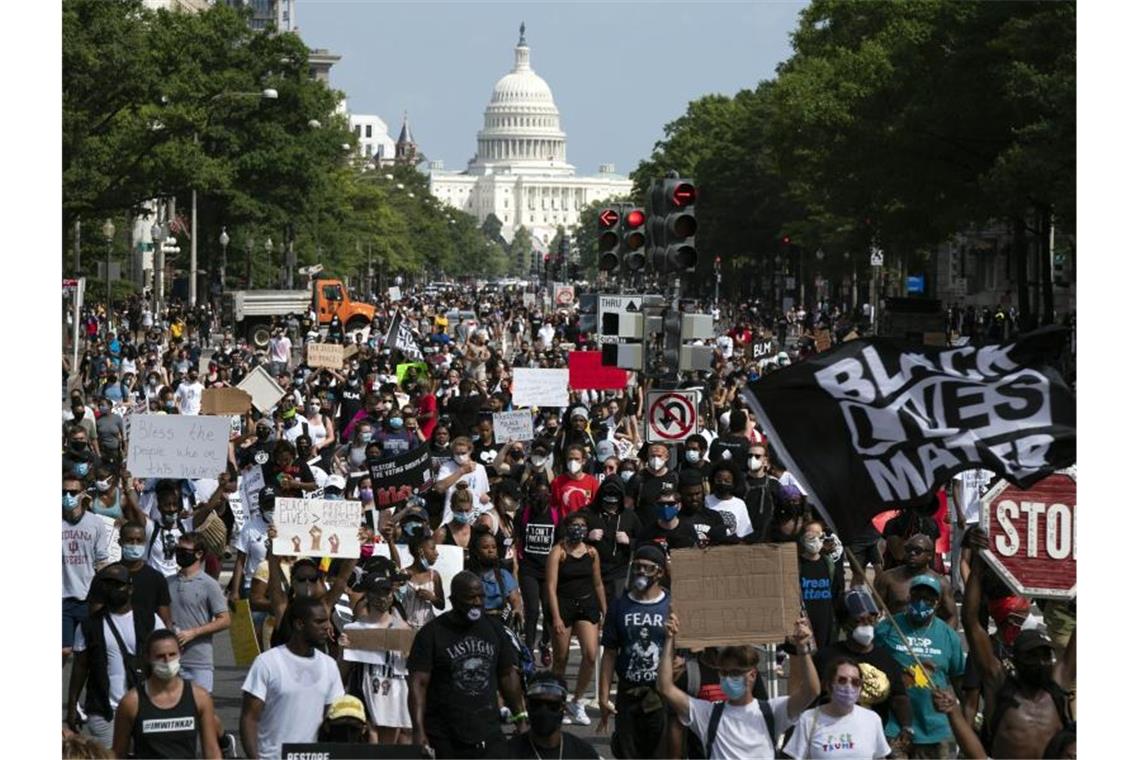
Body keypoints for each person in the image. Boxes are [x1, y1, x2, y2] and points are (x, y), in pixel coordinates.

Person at [962, 529, 1076, 758]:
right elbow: (971, 622)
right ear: (1016, 659)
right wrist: (977, 566)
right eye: (1032, 655)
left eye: (1045, 655)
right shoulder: (999, 684)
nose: (1041, 661)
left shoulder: (1058, 683)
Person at [655, 610, 821, 760]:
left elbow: (811, 691)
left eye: (734, 673)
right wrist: (670, 638)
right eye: (724, 673)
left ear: (752, 675)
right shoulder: (707, 714)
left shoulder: (772, 711)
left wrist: (802, 648)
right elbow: (665, 687)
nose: (728, 678)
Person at [407, 571, 528, 759]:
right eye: (471, 597)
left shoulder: (494, 629)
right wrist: (418, 730)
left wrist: (520, 718)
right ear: (454, 600)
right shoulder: (431, 634)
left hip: (488, 731)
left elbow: (507, 675)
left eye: (481, 596)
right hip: (445, 734)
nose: (478, 603)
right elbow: (418, 684)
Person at [67, 564, 167, 748]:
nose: (112, 589)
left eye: (118, 584)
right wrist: (72, 705)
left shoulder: (150, 620)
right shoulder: (89, 625)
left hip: (145, 707)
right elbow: (80, 666)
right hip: (103, 711)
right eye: (108, 584)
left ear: (130, 589)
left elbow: (165, 659)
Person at [240, 597, 345, 760]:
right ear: (299, 624)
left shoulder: (329, 665)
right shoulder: (267, 663)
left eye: (327, 621)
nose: (327, 627)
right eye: (319, 622)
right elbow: (249, 719)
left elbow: (332, 719)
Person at [875, 574, 967, 758]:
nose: (921, 602)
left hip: (935, 730)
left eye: (928, 598)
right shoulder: (887, 628)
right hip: (895, 727)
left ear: (937, 602)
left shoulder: (948, 635)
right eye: (917, 596)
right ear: (909, 597)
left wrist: (965, 721)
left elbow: (959, 681)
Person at [597, 544, 672, 758]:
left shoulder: (671, 605)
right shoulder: (619, 606)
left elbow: (682, 650)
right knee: (628, 752)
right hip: (628, 693)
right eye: (637, 567)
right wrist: (603, 697)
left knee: (660, 753)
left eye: (648, 568)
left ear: (660, 572)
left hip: (660, 694)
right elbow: (610, 653)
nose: (641, 572)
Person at [111, 629, 223, 759]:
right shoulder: (131, 702)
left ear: (180, 653)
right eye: (160, 656)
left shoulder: (200, 697)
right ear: (147, 657)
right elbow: (118, 753)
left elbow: (211, 750)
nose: (167, 661)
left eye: (172, 654)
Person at [814, 589, 912, 734]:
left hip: (872, 737)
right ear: (844, 623)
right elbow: (810, 696)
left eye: (871, 619)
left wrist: (906, 728)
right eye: (859, 620)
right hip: (831, 734)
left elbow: (899, 698)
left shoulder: (886, 659)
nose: (866, 625)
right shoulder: (825, 658)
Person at [546, 510, 607, 725]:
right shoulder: (558, 551)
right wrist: (556, 617)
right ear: (567, 527)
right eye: (574, 525)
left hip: (587, 603)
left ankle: (578, 699)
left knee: (590, 654)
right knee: (560, 658)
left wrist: (604, 610)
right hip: (563, 604)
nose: (578, 529)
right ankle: (558, 700)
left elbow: (598, 583)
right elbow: (551, 587)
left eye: (582, 525)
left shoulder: (591, 552)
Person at [341, 572, 412, 743]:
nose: (383, 597)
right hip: (364, 693)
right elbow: (342, 671)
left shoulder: (403, 629)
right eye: (377, 592)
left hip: (393, 695)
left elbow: (411, 668)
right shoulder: (355, 629)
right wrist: (342, 650)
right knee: (369, 741)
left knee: (387, 749)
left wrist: (409, 651)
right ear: (368, 595)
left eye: (386, 592)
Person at [783, 656, 891, 759]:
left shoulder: (872, 719)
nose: (849, 686)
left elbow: (880, 757)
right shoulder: (808, 719)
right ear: (829, 686)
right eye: (842, 680)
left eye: (855, 682)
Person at [166, 532, 231, 693]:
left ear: (199, 554)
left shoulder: (209, 584)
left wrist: (193, 633)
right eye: (178, 549)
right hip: (169, 661)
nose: (179, 554)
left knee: (200, 710)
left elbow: (224, 619)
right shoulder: (167, 582)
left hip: (199, 662)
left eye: (184, 550)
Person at [62, 471, 111, 660]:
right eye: (64, 491)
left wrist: (105, 595)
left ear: (83, 494)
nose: (68, 496)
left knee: (88, 654)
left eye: (73, 492)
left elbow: (101, 561)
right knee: (63, 651)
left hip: (88, 599)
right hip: (63, 599)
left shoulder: (95, 523)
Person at [504, 671, 601, 759]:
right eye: (536, 704)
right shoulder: (507, 753)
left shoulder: (583, 753)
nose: (543, 711)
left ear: (563, 707)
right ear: (527, 705)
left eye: (552, 705)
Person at [515, 477, 560, 659]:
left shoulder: (556, 515)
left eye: (544, 494)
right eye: (537, 494)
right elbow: (517, 540)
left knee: (549, 609)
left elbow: (559, 543)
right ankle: (528, 650)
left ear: (549, 495)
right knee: (532, 610)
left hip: (548, 570)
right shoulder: (523, 514)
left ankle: (544, 643)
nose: (540, 498)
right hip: (529, 569)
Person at [874, 534, 958, 628]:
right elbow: (873, 611)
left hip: (928, 636)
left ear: (929, 555)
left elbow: (952, 616)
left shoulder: (941, 583)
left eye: (917, 551)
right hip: (896, 634)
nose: (912, 554)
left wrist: (944, 638)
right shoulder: (888, 578)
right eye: (908, 549)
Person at [584, 476, 641, 605]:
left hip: (619, 573)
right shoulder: (588, 513)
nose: (610, 506)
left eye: (614, 503)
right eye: (607, 503)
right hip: (592, 571)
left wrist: (629, 541)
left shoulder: (629, 516)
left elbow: (644, 542)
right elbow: (567, 533)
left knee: (616, 609)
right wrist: (587, 536)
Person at [797, 519, 845, 649]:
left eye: (819, 535)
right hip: (805, 620)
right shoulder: (797, 564)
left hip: (825, 619)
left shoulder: (828, 563)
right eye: (810, 535)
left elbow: (835, 591)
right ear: (802, 538)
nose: (815, 539)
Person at [398, 534, 446, 629]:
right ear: (420, 551)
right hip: (406, 626)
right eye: (432, 549)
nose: (436, 553)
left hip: (428, 626)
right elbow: (397, 599)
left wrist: (432, 598)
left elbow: (441, 605)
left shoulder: (434, 576)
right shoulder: (403, 574)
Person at [705, 461, 752, 540]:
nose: (722, 483)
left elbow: (743, 533)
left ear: (733, 483)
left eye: (727, 481)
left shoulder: (739, 504)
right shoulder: (706, 500)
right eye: (719, 480)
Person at [550, 443, 600, 514]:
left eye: (577, 459)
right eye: (570, 459)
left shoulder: (592, 482)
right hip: (565, 523)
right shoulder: (557, 481)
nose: (573, 462)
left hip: (585, 522)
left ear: (583, 461)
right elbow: (554, 507)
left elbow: (596, 506)